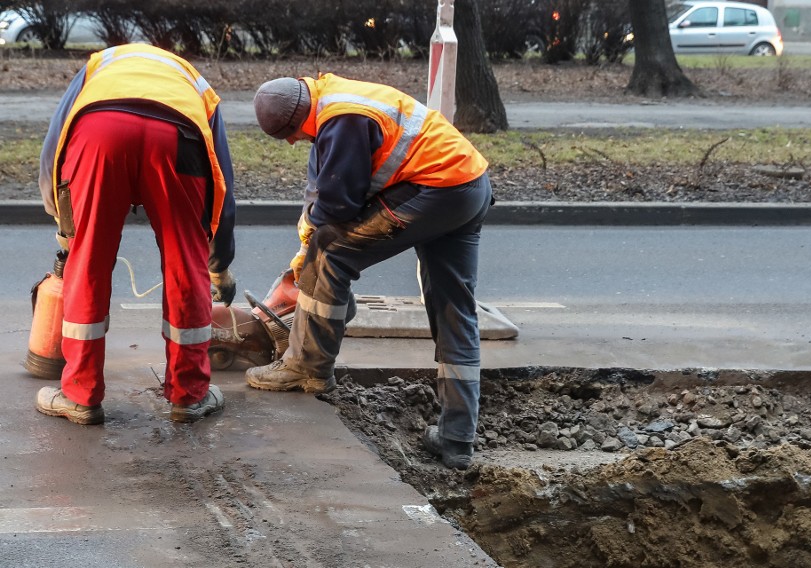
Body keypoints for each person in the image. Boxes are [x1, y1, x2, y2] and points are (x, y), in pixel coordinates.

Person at [248, 73, 492, 469]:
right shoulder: (329, 97)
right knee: (454, 310)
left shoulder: (343, 119)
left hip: (436, 190)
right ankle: (456, 438)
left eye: (290, 134)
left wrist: (311, 249)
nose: (293, 142)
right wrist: (306, 240)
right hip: (468, 185)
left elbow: (339, 207)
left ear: (297, 120)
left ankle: (306, 368)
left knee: (331, 253)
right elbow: (322, 189)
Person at [35, 44, 238, 425]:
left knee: (88, 262)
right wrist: (218, 265)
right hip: (178, 138)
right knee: (185, 265)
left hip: (98, 133)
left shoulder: (99, 65)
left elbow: (54, 147)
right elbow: (221, 181)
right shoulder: (194, 80)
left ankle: (80, 395)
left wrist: (65, 227)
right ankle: (189, 396)